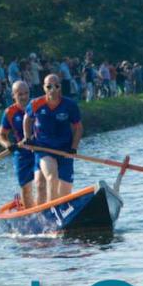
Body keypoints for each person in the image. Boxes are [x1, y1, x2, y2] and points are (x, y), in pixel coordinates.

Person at [23, 73, 83, 201]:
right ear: (44, 88)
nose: (53, 89)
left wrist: (73, 148)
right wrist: (27, 138)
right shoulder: (35, 103)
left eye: (56, 86)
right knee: (51, 177)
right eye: (49, 86)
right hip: (44, 149)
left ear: (60, 87)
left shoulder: (70, 105)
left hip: (65, 150)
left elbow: (78, 128)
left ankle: (60, 210)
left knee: (65, 193)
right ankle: (51, 211)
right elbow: (27, 119)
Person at [0, 81, 45, 208]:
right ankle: (30, 215)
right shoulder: (9, 112)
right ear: (13, 95)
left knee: (42, 183)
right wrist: (8, 144)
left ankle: (46, 210)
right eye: (20, 94)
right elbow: (1, 135)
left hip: (40, 150)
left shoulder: (38, 105)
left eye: (26, 93)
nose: (24, 97)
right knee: (26, 187)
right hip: (21, 153)